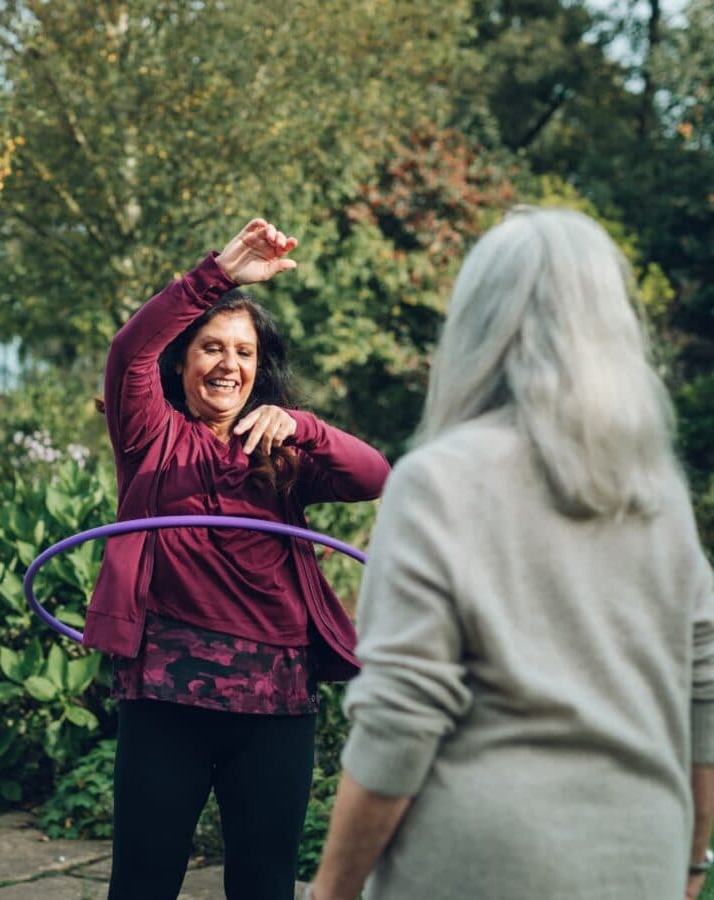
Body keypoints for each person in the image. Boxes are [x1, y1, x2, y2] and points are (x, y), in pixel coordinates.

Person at [306, 205, 714, 900]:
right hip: (639, 856)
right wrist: (690, 861)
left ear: (477, 324)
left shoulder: (437, 481)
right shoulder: (658, 493)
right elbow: (704, 692)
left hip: (478, 863)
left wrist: (333, 888)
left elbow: (401, 716)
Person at [82, 218, 390, 900]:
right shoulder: (151, 436)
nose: (229, 365)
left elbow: (376, 478)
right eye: (211, 348)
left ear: (260, 368)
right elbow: (130, 351)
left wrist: (304, 427)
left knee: (264, 886)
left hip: (277, 702)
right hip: (167, 696)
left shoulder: (285, 456)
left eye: (244, 352)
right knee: (141, 884)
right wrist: (217, 274)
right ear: (183, 362)